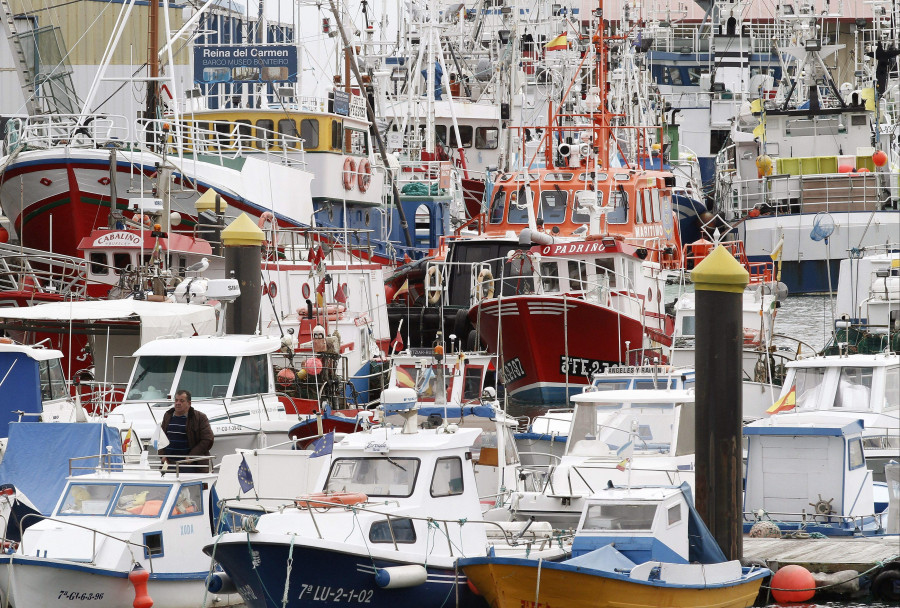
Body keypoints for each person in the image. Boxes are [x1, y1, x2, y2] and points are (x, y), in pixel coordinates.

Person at [160, 389, 214, 472]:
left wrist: (192, 456)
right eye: (176, 400)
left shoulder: (200, 417)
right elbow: (161, 437)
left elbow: (208, 439)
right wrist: (162, 455)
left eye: (182, 401)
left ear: (189, 403)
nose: (178, 403)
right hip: (169, 463)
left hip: (190, 464)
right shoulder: (168, 415)